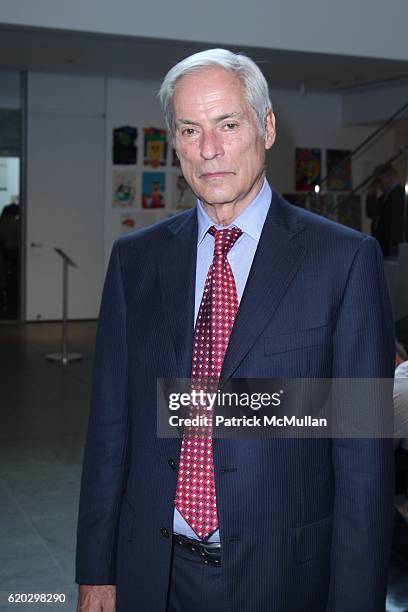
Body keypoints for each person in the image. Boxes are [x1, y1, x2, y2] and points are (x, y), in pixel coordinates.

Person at [76, 49, 395, 611]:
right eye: (190, 130)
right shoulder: (135, 262)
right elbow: (109, 430)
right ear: (174, 141)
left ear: (266, 127)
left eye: (228, 124)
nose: (210, 150)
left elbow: (362, 460)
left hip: (286, 579)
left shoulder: (343, 261)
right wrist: (96, 571)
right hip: (154, 573)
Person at [365, 162, 406, 257]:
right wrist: (371, 195)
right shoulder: (383, 198)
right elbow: (372, 214)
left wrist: (393, 251)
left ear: (389, 176)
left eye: (379, 180)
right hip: (383, 248)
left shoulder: (399, 194)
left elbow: (396, 227)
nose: (378, 185)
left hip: (392, 250)